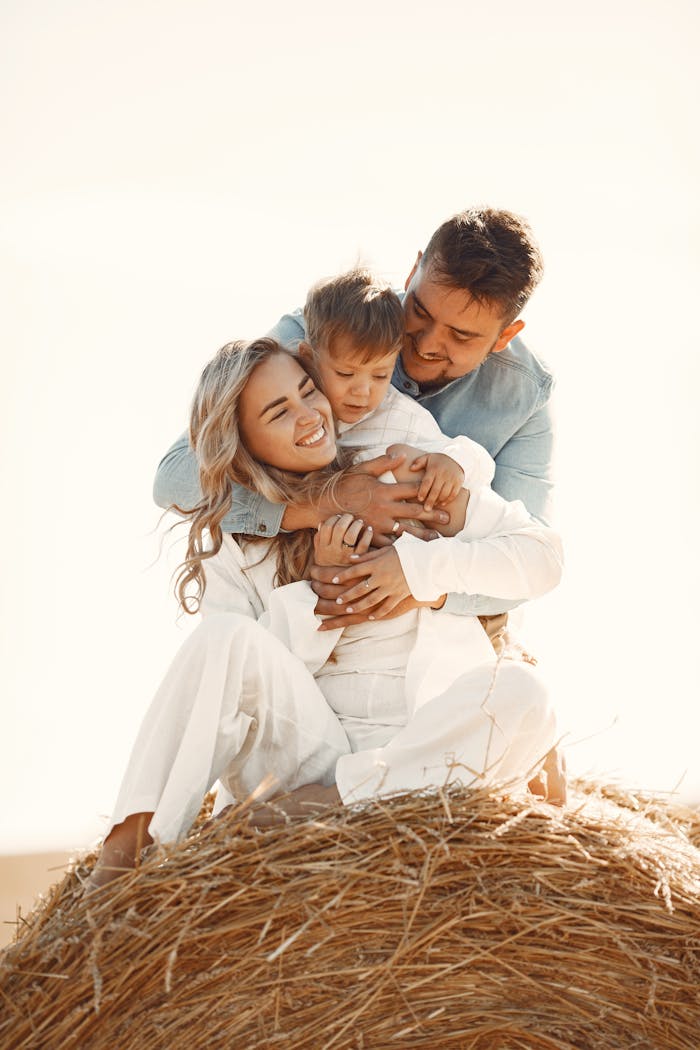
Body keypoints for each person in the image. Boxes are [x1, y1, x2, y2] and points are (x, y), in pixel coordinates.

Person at [89, 340, 563, 888]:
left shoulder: (398, 478)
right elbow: (236, 690)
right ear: (244, 442)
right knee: (222, 638)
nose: (308, 415)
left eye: (308, 391)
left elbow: (544, 558)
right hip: (301, 755)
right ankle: (125, 858)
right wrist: (320, 589)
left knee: (528, 695)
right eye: (278, 412)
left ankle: (337, 802)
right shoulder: (237, 538)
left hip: (420, 747)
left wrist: (421, 572)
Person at [153, 207, 554, 626]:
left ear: (505, 336)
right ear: (414, 270)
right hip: (294, 603)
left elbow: (522, 565)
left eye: (461, 336)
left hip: (432, 629)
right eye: (420, 311)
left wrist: (420, 583)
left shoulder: (526, 399)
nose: (426, 343)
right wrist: (323, 503)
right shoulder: (323, 327)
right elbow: (176, 477)